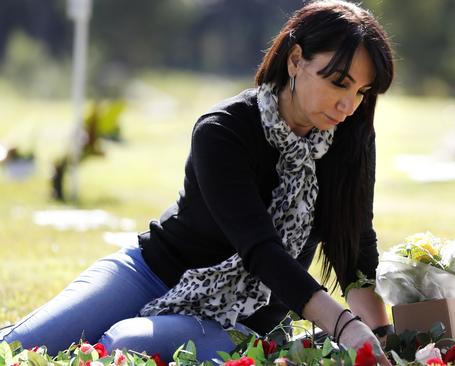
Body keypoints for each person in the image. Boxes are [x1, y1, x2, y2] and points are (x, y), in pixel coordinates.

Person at [0, 0, 395, 364]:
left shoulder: (351, 137)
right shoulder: (224, 130)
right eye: (339, 82)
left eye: (361, 91)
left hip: (245, 318)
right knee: (19, 345)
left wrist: (380, 337)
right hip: (151, 273)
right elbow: (260, 250)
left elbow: (356, 240)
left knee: (122, 344)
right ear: (296, 60)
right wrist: (343, 324)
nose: (349, 105)